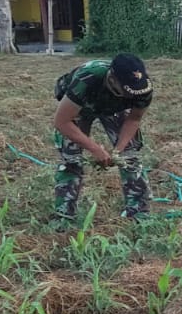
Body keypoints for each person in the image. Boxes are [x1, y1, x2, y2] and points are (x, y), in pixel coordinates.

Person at [51, 53, 153, 222]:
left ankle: (138, 212)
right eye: (128, 91)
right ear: (112, 79)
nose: (133, 96)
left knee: (130, 156)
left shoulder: (142, 88)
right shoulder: (88, 78)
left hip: (114, 108)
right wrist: (96, 149)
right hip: (80, 107)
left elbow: (134, 119)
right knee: (71, 160)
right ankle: (64, 214)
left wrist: (118, 151)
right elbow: (62, 122)